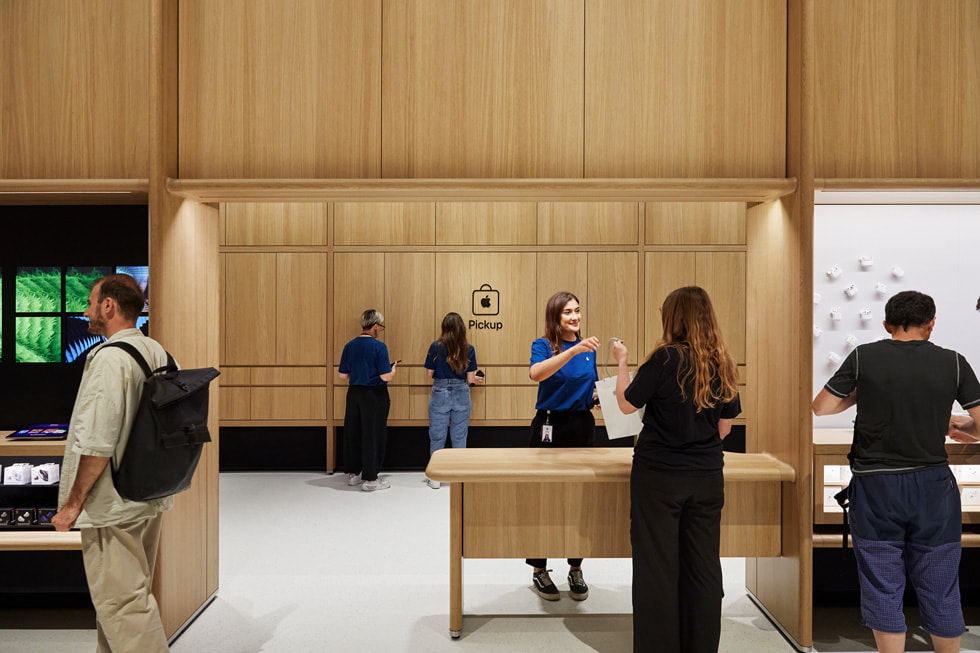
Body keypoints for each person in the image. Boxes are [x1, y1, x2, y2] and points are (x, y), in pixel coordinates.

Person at [812, 290, 980, 653]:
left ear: (887, 324)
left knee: (882, 583)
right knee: (940, 583)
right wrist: (962, 428)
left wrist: (864, 392)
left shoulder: (864, 356)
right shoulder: (953, 362)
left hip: (876, 487)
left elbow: (821, 407)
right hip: (934, 487)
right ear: (931, 323)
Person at [612, 286, 740, 653]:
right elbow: (725, 427)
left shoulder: (664, 359)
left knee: (657, 566)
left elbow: (625, 405)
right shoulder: (723, 361)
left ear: (673, 317)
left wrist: (622, 362)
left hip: (659, 477)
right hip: (706, 477)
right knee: (703, 565)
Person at [52, 274, 172, 652]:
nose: (85, 311)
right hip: (149, 494)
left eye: (90, 302)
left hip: (112, 504)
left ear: (109, 306)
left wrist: (72, 505)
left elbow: (98, 443)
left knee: (123, 607)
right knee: (122, 602)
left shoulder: (108, 361)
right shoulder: (159, 353)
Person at [525, 291, 599, 601]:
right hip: (549, 426)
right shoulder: (543, 345)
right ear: (555, 317)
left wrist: (596, 397)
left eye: (577, 311)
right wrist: (571, 351)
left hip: (581, 425)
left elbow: (589, 383)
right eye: (567, 312)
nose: (574, 317)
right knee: (545, 498)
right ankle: (539, 569)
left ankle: (576, 566)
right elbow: (536, 373)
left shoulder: (588, 350)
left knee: (580, 498)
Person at [338, 309, 396, 492]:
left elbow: (342, 375)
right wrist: (393, 370)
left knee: (353, 432)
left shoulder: (349, 346)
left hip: (354, 393)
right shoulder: (379, 347)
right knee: (373, 434)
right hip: (374, 395)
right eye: (381, 327)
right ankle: (371, 479)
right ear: (376, 326)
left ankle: (354, 474)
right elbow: (385, 376)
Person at [424, 312, 483, 489]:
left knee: (437, 436)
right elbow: (470, 378)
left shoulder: (436, 347)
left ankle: (435, 477)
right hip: (461, 392)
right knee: (459, 436)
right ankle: (458, 475)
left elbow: (429, 374)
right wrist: (476, 380)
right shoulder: (468, 348)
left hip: (440, 392)